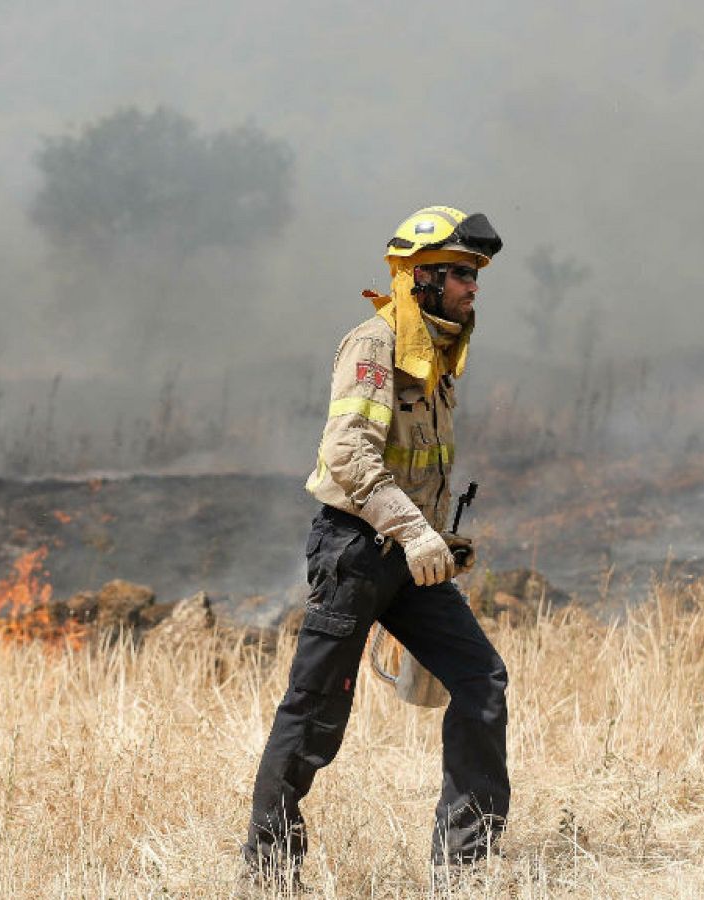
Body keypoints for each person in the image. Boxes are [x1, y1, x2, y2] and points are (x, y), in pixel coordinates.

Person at [242, 205, 510, 883]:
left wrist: (439, 537)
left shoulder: (438, 353)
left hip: (411, 556)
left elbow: (414, 462)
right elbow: (349, 456)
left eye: (475, 274)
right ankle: (269, 871)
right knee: (316, 709)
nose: (472, 286)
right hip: (357, 552)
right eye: (459, 273)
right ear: (419, 278)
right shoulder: (375, 345)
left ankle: (467, 869)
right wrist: (415, 529)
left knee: (481, 684)